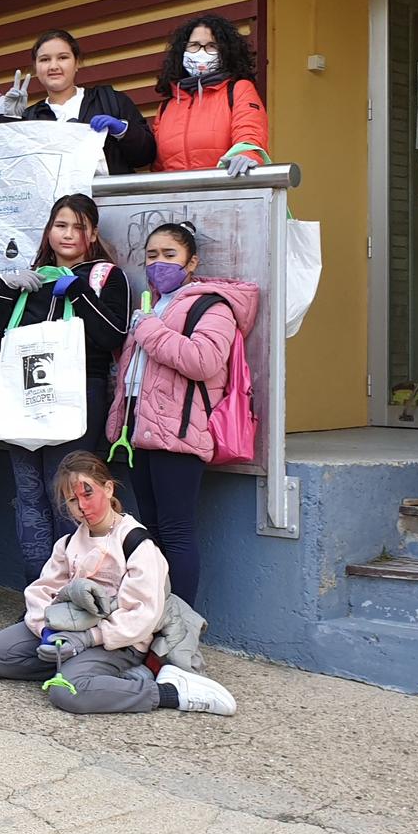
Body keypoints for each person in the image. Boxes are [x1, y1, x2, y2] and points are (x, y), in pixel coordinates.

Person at [0, 453, 235, 715]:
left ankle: (170, 692)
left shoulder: (137, 544)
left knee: (67, 689)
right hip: (69, 630)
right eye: (72, 500)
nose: (81, 506)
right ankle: (93, 675)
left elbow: (142, 615)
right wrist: (48, 632)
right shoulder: (68, 543)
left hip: (119, 640)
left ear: (109, 487)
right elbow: (41, 591)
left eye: (87, 494)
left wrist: (89, 638)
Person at [104, 222, 258, 606]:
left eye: (169, 255)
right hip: (140, 433)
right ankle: (150, 616)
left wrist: (150, 330)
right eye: (152, 256)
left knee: (176, 531)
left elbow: (203, 361)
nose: (158, 264)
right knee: (150, 530)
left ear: (192, 261)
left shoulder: (212, 305)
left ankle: (181, 623)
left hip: (181, 434)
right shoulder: (152, 304)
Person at [0, 194, 134, 579]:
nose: (68, 234)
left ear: (93, 234)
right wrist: (3, 290)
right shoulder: (30, 278)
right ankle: (40, 589)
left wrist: (79, 292)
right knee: (29, 496)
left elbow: (112, 336)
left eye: (78, 227)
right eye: (60, 225)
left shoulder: (105, 276)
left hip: (78, 395)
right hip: (25, 394)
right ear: (48, 230)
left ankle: (74, 590)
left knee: (70, 495)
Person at [12, 29, 157, 175]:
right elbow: (14, 171)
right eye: (44, 59)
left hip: (111, 196)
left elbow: (145, 157)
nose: (53, 66)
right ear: (36, 67)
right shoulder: (30, 118)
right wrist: (9, 120)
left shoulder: (109, 100)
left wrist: (123, 131)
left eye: (63, 57)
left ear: (76, 63)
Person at [150, 14, 270, 175]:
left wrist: (246, 155)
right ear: (181, 51)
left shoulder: (238, 90)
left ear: (225, 52)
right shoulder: (166, 107)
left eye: (211, 46)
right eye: (194, 45)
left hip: (226, 194)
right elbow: (158, 166)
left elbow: (250, 134)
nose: (201, 52)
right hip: (177, 197)